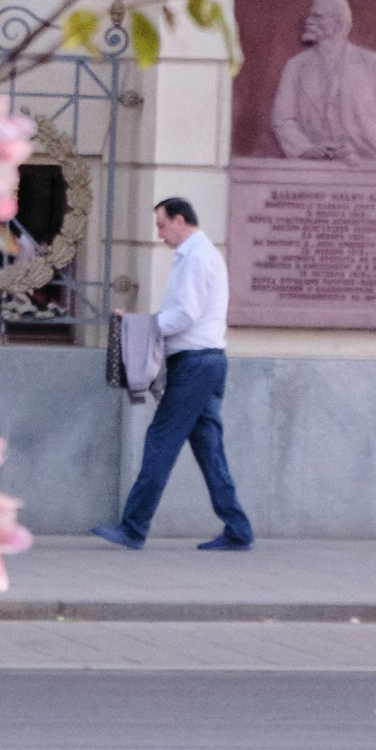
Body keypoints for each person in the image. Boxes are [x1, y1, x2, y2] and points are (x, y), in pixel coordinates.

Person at [92, 197, 253, 555]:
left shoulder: (195, 258)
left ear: (180, 221)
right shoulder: (199, 255)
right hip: (206, 361)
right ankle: (238, 529)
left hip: (194, 364)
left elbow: (184, 315)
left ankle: (133, 527)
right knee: (209, 450)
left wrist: (142, 326)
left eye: (162, 226)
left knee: (161, 442)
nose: (161, 235)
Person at [271, 0, 376, 171]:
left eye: (318, 17)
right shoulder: (296, 67)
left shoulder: (372, 63)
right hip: (319, 170)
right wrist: (304, 149)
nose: (308, 21)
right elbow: (283, 119)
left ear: (338, 23)